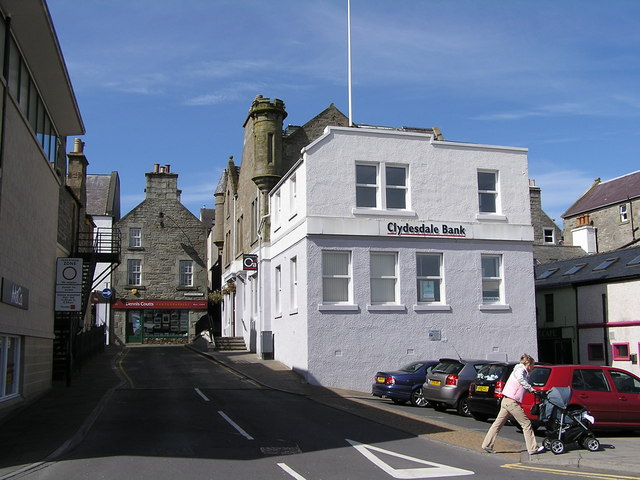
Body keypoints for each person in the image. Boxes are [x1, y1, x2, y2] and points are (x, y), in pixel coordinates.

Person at [481, 353, 545, 455]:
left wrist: (529, 389)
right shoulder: (521, 370)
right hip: (511, 402)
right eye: (533, 365)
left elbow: (520, 384)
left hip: (506, 400)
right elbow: (520, 380)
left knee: (497, 424)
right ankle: (533, 448)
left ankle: (487, 445)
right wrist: (530, 389)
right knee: (526, 423)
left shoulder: (520, 370)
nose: (533, 368)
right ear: (528, 364)